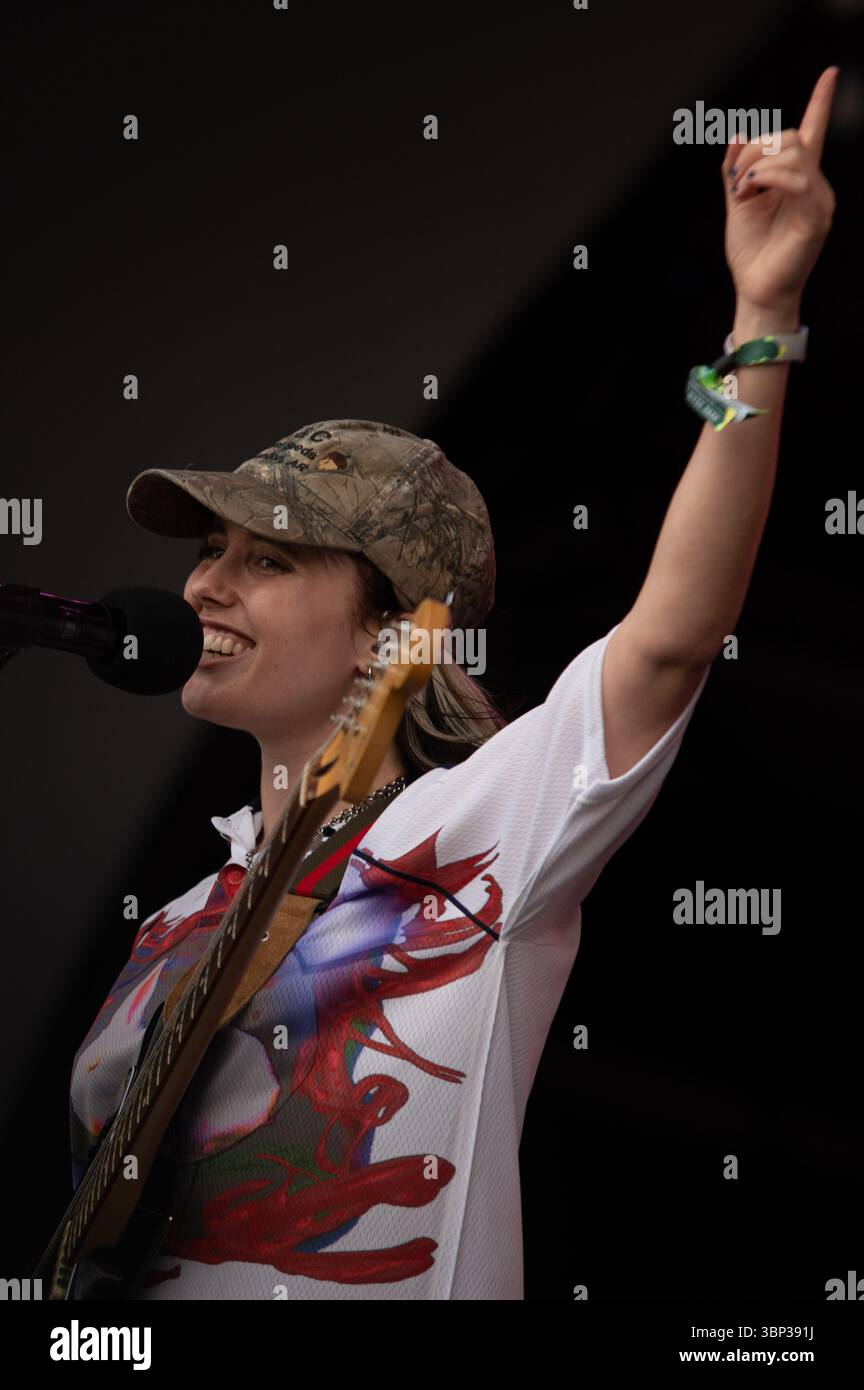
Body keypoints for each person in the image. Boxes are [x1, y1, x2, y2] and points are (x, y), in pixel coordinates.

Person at [68, 68, 838, 1300]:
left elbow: (673, 635)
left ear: (393, 631)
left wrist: (762, 315)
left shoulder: (476, 827)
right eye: (208, 551)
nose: (206, 585)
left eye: (264, 559)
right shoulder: (167, 928)